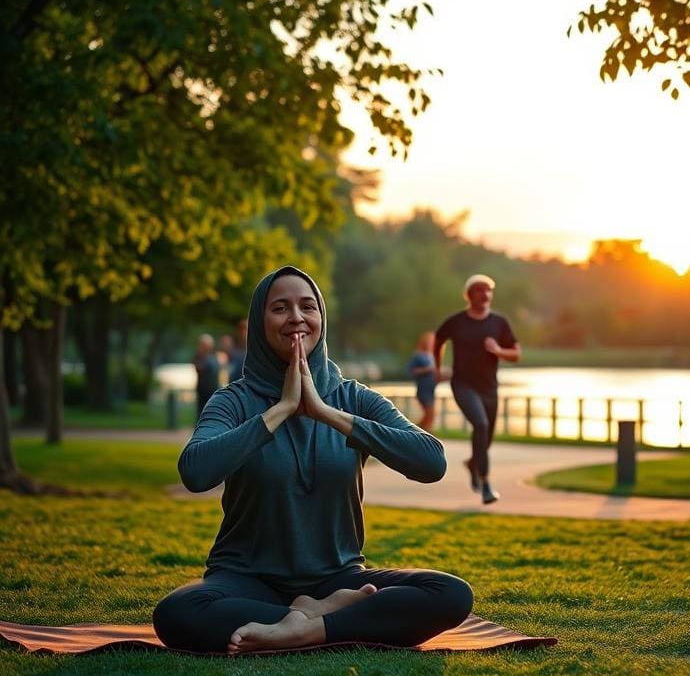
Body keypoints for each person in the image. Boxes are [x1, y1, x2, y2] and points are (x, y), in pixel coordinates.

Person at [153, 266, 472, 654]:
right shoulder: (232, 401)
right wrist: (281, 410)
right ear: (259, 322)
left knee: (450, 593)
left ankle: (301, 627)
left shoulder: (354, 398)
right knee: (178, 612)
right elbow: (195, 471)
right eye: (280, 308)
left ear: (321, 317)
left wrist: (327, 413)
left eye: (308, 307)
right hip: (246, 580)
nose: (296, 318)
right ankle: (321, 619)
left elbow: (431, 461)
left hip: (338, 580)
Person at [434, 274, 521, 505]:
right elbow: (438, 339)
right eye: (479, 290)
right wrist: (437, 367)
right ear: (469, 295)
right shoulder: (456, 322)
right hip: (463, 384)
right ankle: (486, 484)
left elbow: (516, 353)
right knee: (480, 425)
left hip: (490, 388)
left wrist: (499, 351)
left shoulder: (499, 322)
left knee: (486, 437)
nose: (485, 294)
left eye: (488, 290)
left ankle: (473, 463)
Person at [408, 332, 438, 431]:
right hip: (423, 389)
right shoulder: (418, 356)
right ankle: (415, 431)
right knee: (429, 413)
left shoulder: (432, 356)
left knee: (431, 415)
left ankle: (423, 433)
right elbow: (412, 371)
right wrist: (428, 369)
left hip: (431, 389)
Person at [193, 334, 220, 422]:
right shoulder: (199, 357)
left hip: (213, 389)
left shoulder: (214, 356)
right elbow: (198, 368)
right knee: (201, 413)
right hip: (202, 390)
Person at [227, 319, 248, 383]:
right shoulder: (231, 351)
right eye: (241, 329)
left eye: (246, 329)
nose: (243, 332)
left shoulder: (257, 352)